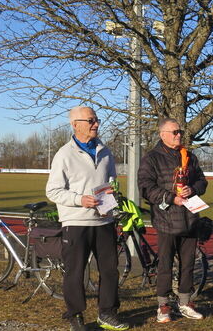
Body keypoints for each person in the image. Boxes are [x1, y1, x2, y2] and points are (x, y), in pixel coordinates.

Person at [45, 106, 129, 331]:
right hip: (76, 222)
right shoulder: (64, 154)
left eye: (96, 120)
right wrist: (79, 199)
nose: (96, 124)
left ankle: (107, 314)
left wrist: (111, 196)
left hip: (104, 221)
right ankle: (75, 316)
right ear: (75, 124)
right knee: (76, 271)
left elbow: (110, 182)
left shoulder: (106, 151)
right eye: (91, 120)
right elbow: (53, 191)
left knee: (110, 270)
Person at [138, 118, 208, 323]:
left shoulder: (189, 156)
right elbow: (145, 186)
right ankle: (163, 306)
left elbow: (202, 181)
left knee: (188, 264)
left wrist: (192, 189)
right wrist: (171, 197)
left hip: (190, 218)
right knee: (165, 264)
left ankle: (185, 303)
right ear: (162, 135)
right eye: (175, 132)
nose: (179, 135)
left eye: (180, 131)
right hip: (166, 218)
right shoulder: (151, 158)